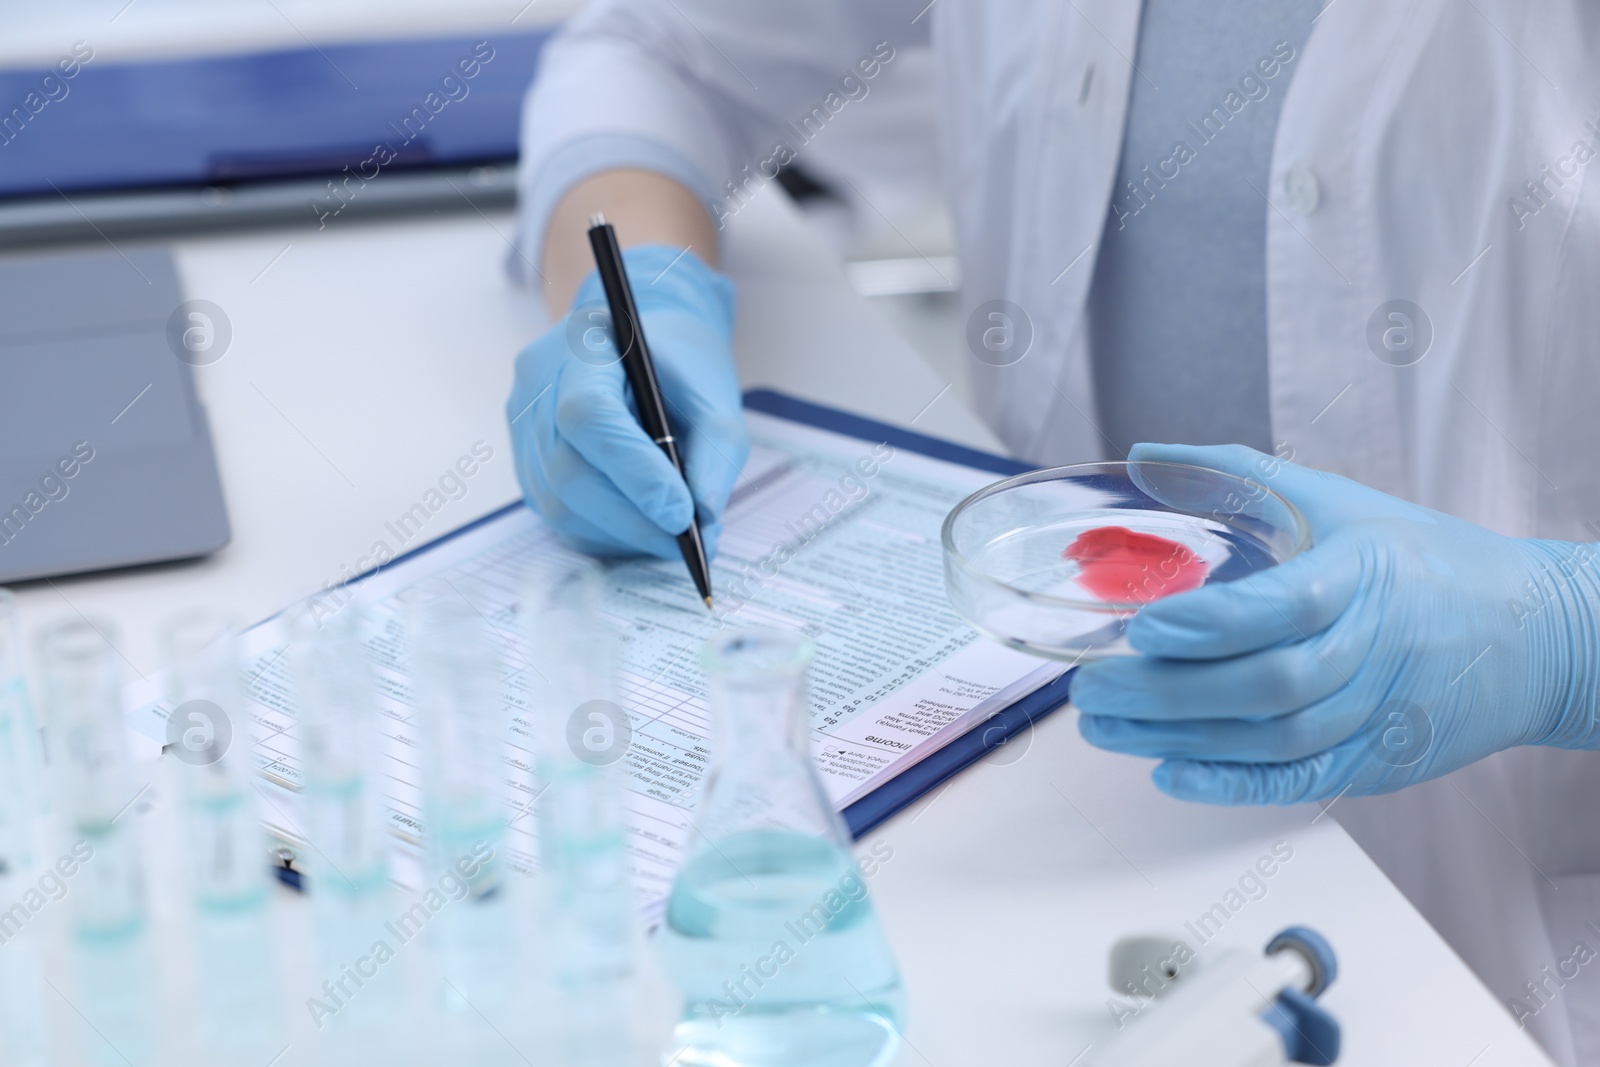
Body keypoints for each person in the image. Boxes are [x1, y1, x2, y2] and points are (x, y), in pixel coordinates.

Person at [505, 0, 1600, 1058]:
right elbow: (662, 54)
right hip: (1072, 836)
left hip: (1509, 918)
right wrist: (635, 304)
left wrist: (1558, 638)